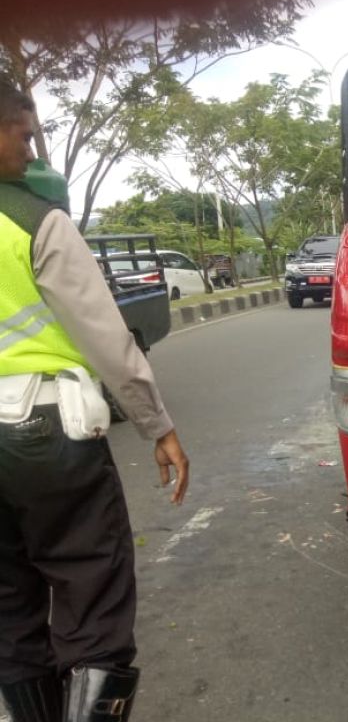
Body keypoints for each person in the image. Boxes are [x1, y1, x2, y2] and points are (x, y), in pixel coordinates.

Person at [0, 83, 190, 722]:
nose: (31, 155)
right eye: (24, 136)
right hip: (42, 432)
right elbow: (103, 332)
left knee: (6, 614)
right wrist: (155, 423)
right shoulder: (34, 219)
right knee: (92, 591)